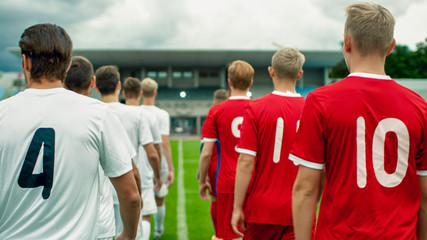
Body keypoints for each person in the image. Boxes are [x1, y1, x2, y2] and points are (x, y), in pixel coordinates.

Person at [290, 3, 427, 239]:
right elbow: (425, 196)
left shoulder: (320, 100)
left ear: (347, 42)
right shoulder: (420, 106)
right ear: (391, 46)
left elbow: (306, 189)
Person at [0, 23, 141, 239]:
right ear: (67, 67)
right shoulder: (97, 114)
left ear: (25, 62)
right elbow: (131, 195)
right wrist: (128, 236)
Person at [231, 48, 306, 240]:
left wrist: (237, 207)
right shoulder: (312, 109)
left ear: (271, 71)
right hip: (301, 209)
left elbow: (246, 162)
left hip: (262, 210)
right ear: (299, 74)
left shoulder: (255, 108)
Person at [94, 66, 162, 240]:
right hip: (127, 185)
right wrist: (158, 175)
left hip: (98, 193)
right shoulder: (137, 114)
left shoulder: (92, 113)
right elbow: (151, 152)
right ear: (118, 86)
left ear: (95, 86)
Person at [64, 56, 121, 240]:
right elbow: (129, 179)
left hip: (63, 220)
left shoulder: (50, 115)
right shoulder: (101, 113)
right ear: (92, 82)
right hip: (99, 219)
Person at [199, 60, 254, 240]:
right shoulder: (260, 107)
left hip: (227, 182)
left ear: (229, 82)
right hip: (255, 181)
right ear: (251, 83)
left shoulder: (216, 111)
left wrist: (202, 180)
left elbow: (206, 152)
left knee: (229, 235)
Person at [122, 76, 164, 240]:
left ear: (123, 92)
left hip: (117, 173)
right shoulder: (147, 116)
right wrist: (158, 175)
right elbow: (155, 150)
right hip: (143, 170)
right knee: (144, 215)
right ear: (139, 93)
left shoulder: (113, 113)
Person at [140, 77, 175, 240]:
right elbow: (164, 143)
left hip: (139, 160)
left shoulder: (134, 111)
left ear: (141, 93)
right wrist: (170, 168)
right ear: (155, 93)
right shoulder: (162, 114)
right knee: (159, 198)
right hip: (157, 160)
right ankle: (158, 229)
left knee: (139, 201)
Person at [200, 88, 229, 240]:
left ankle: (219, 234)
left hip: (216, 166)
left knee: (217, 201)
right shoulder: (236, 112)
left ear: (214, 100)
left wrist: (202, 176)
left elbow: (204, 149)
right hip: (237, 165)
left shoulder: (213, 114)